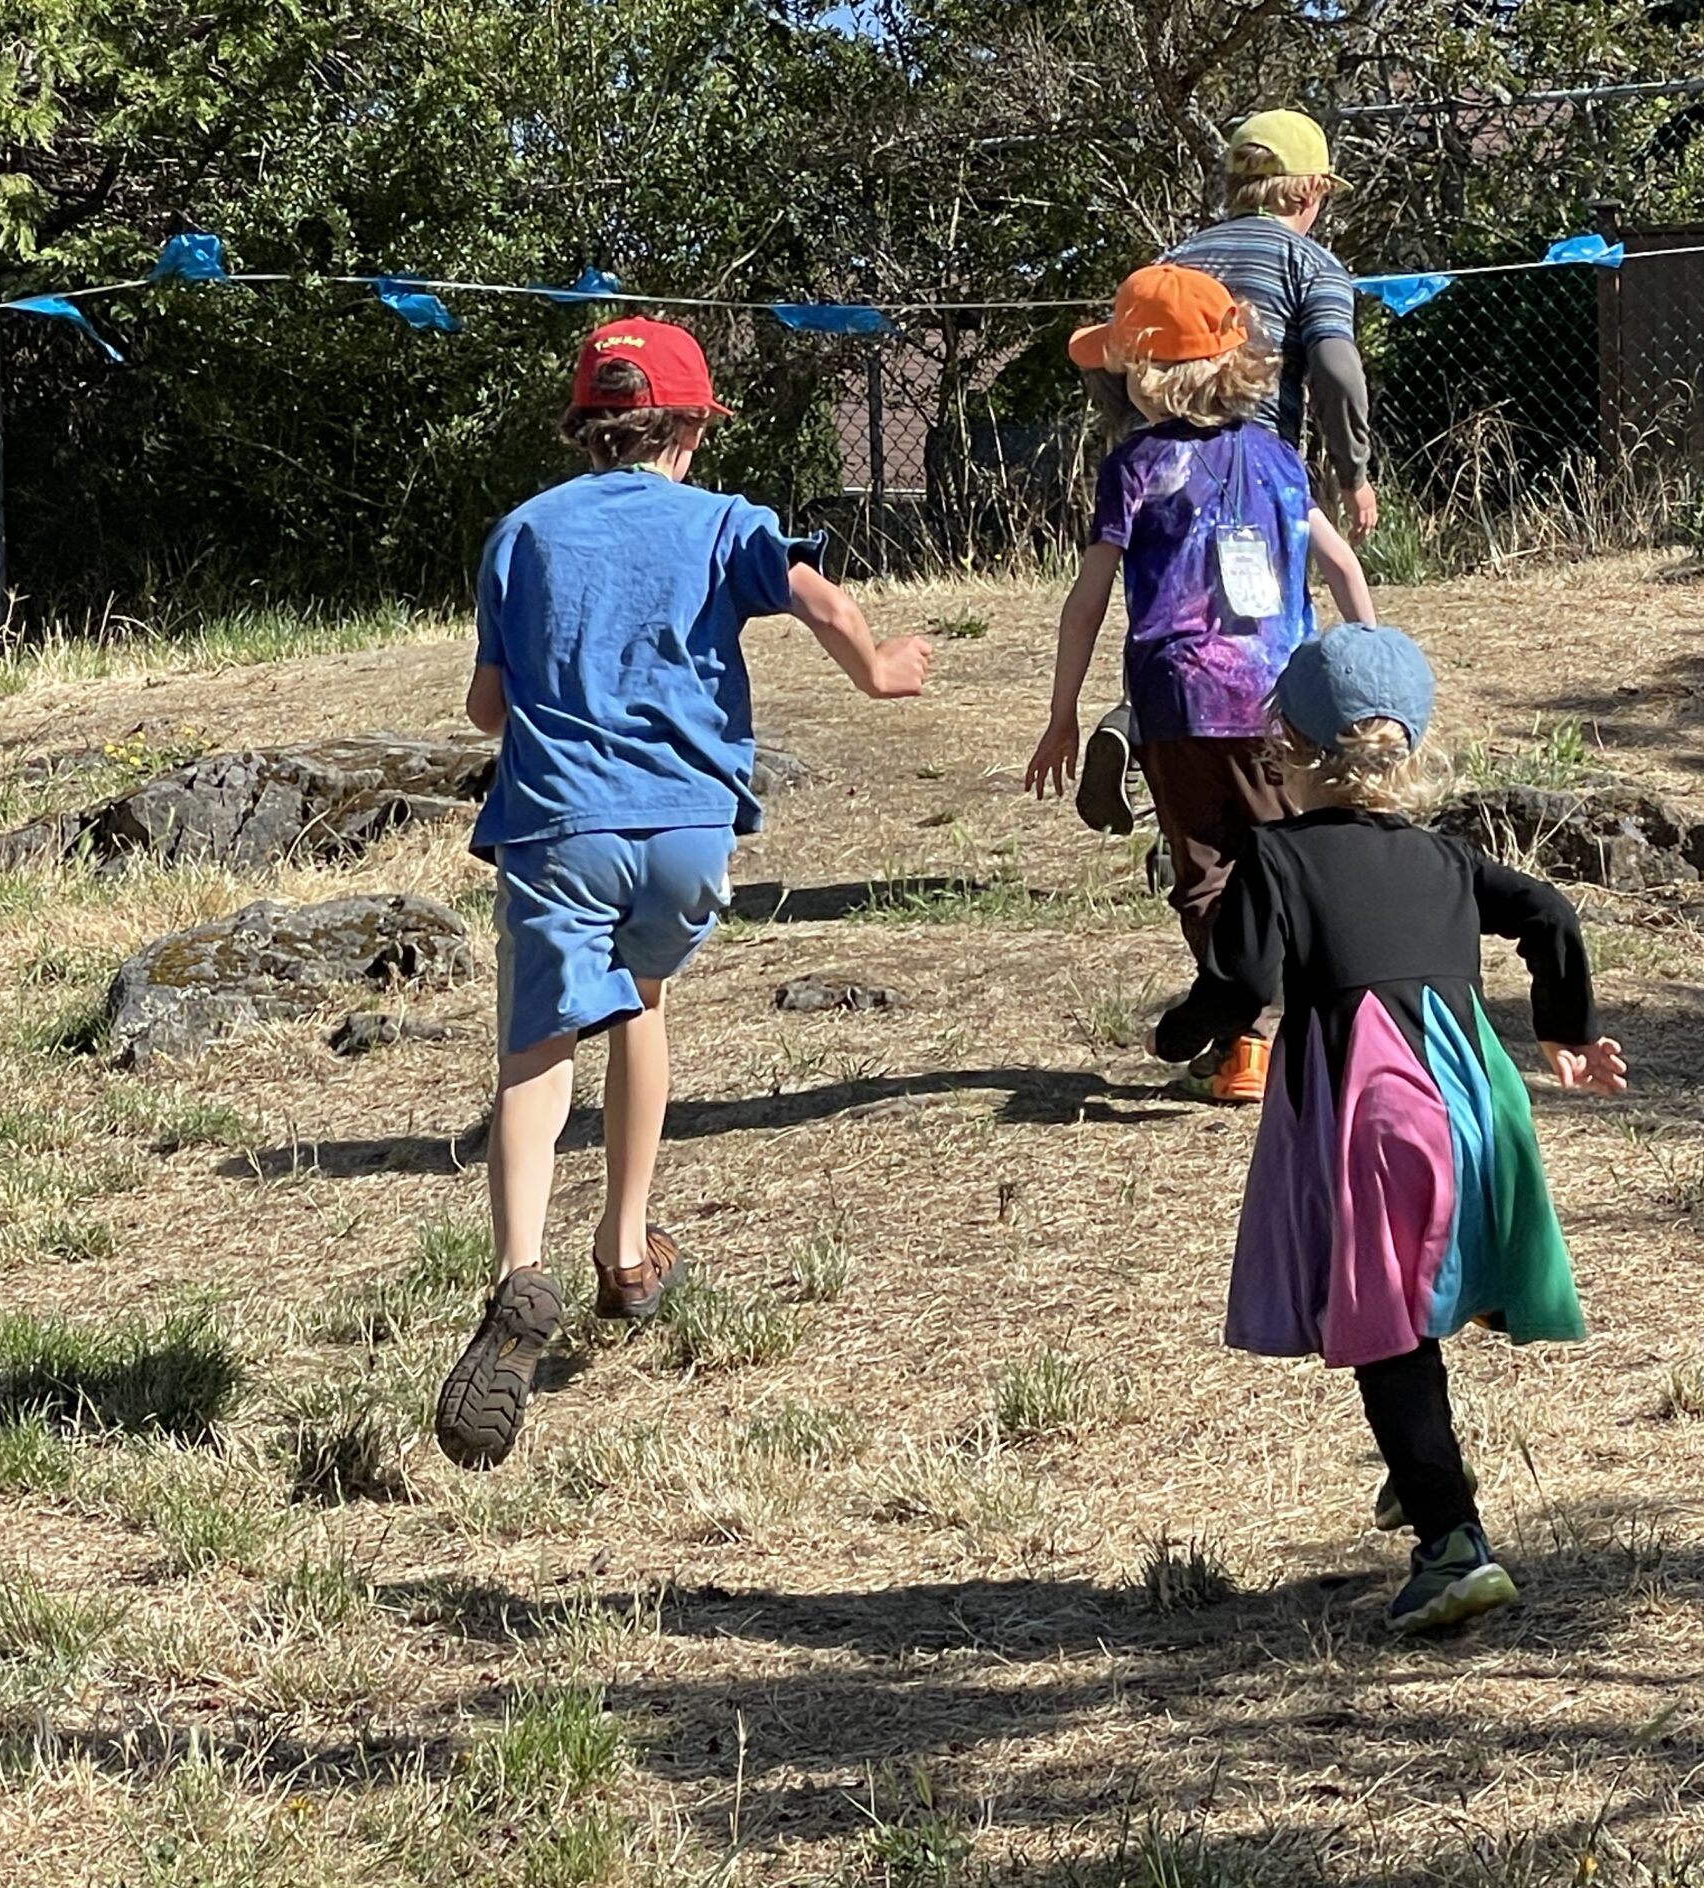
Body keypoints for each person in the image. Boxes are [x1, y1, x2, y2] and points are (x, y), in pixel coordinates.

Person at [434, 317, 932, 1472]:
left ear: (582, 425)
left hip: (561, 825)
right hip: (688, 832)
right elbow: (819, 599)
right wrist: (879, 672)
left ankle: (518, 1275)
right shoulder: (725, 524)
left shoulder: (523, 533)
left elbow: (485, 708)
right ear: (695, 428)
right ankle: (625, 1250)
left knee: (535, 1052)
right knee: (644, 1001)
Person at [1150, 622, 1630, 1631]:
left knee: (1384, 1326)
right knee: (1417, 1298)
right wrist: (1566, 1032)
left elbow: (1241, 980)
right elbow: (1549, 911)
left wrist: (1181, 1033)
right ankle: (1422, 1477)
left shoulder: (1272, 857)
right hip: (1474, 1104)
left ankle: (1453, 1542)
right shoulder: (1447, 858)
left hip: (1373, 1113)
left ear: (1282, 742)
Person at [1026, 263, 1375, 1106]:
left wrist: (1064, 712)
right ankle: (1319, 1030)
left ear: (1141, 374)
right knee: (1288, 858)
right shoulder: (1279, 458)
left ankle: (1247, 1040)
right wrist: (1364, 665)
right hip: (1280, 700)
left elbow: (1086, 603)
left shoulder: (1133, 466)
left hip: (1174, 700)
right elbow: (1340, 566)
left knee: (1206, 871)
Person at [1077, 107, 1378, 836]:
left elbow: (1114, 354)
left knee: (1175, 617)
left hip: (1164, 471)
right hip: (1259, 467)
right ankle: (1276, 800)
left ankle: (1153, 761)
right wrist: (1353, 469)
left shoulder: (1175, 261)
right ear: (1310, 195)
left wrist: (1144, 437)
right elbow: (1336, 368)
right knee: (1257, 628)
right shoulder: (1312, 264)